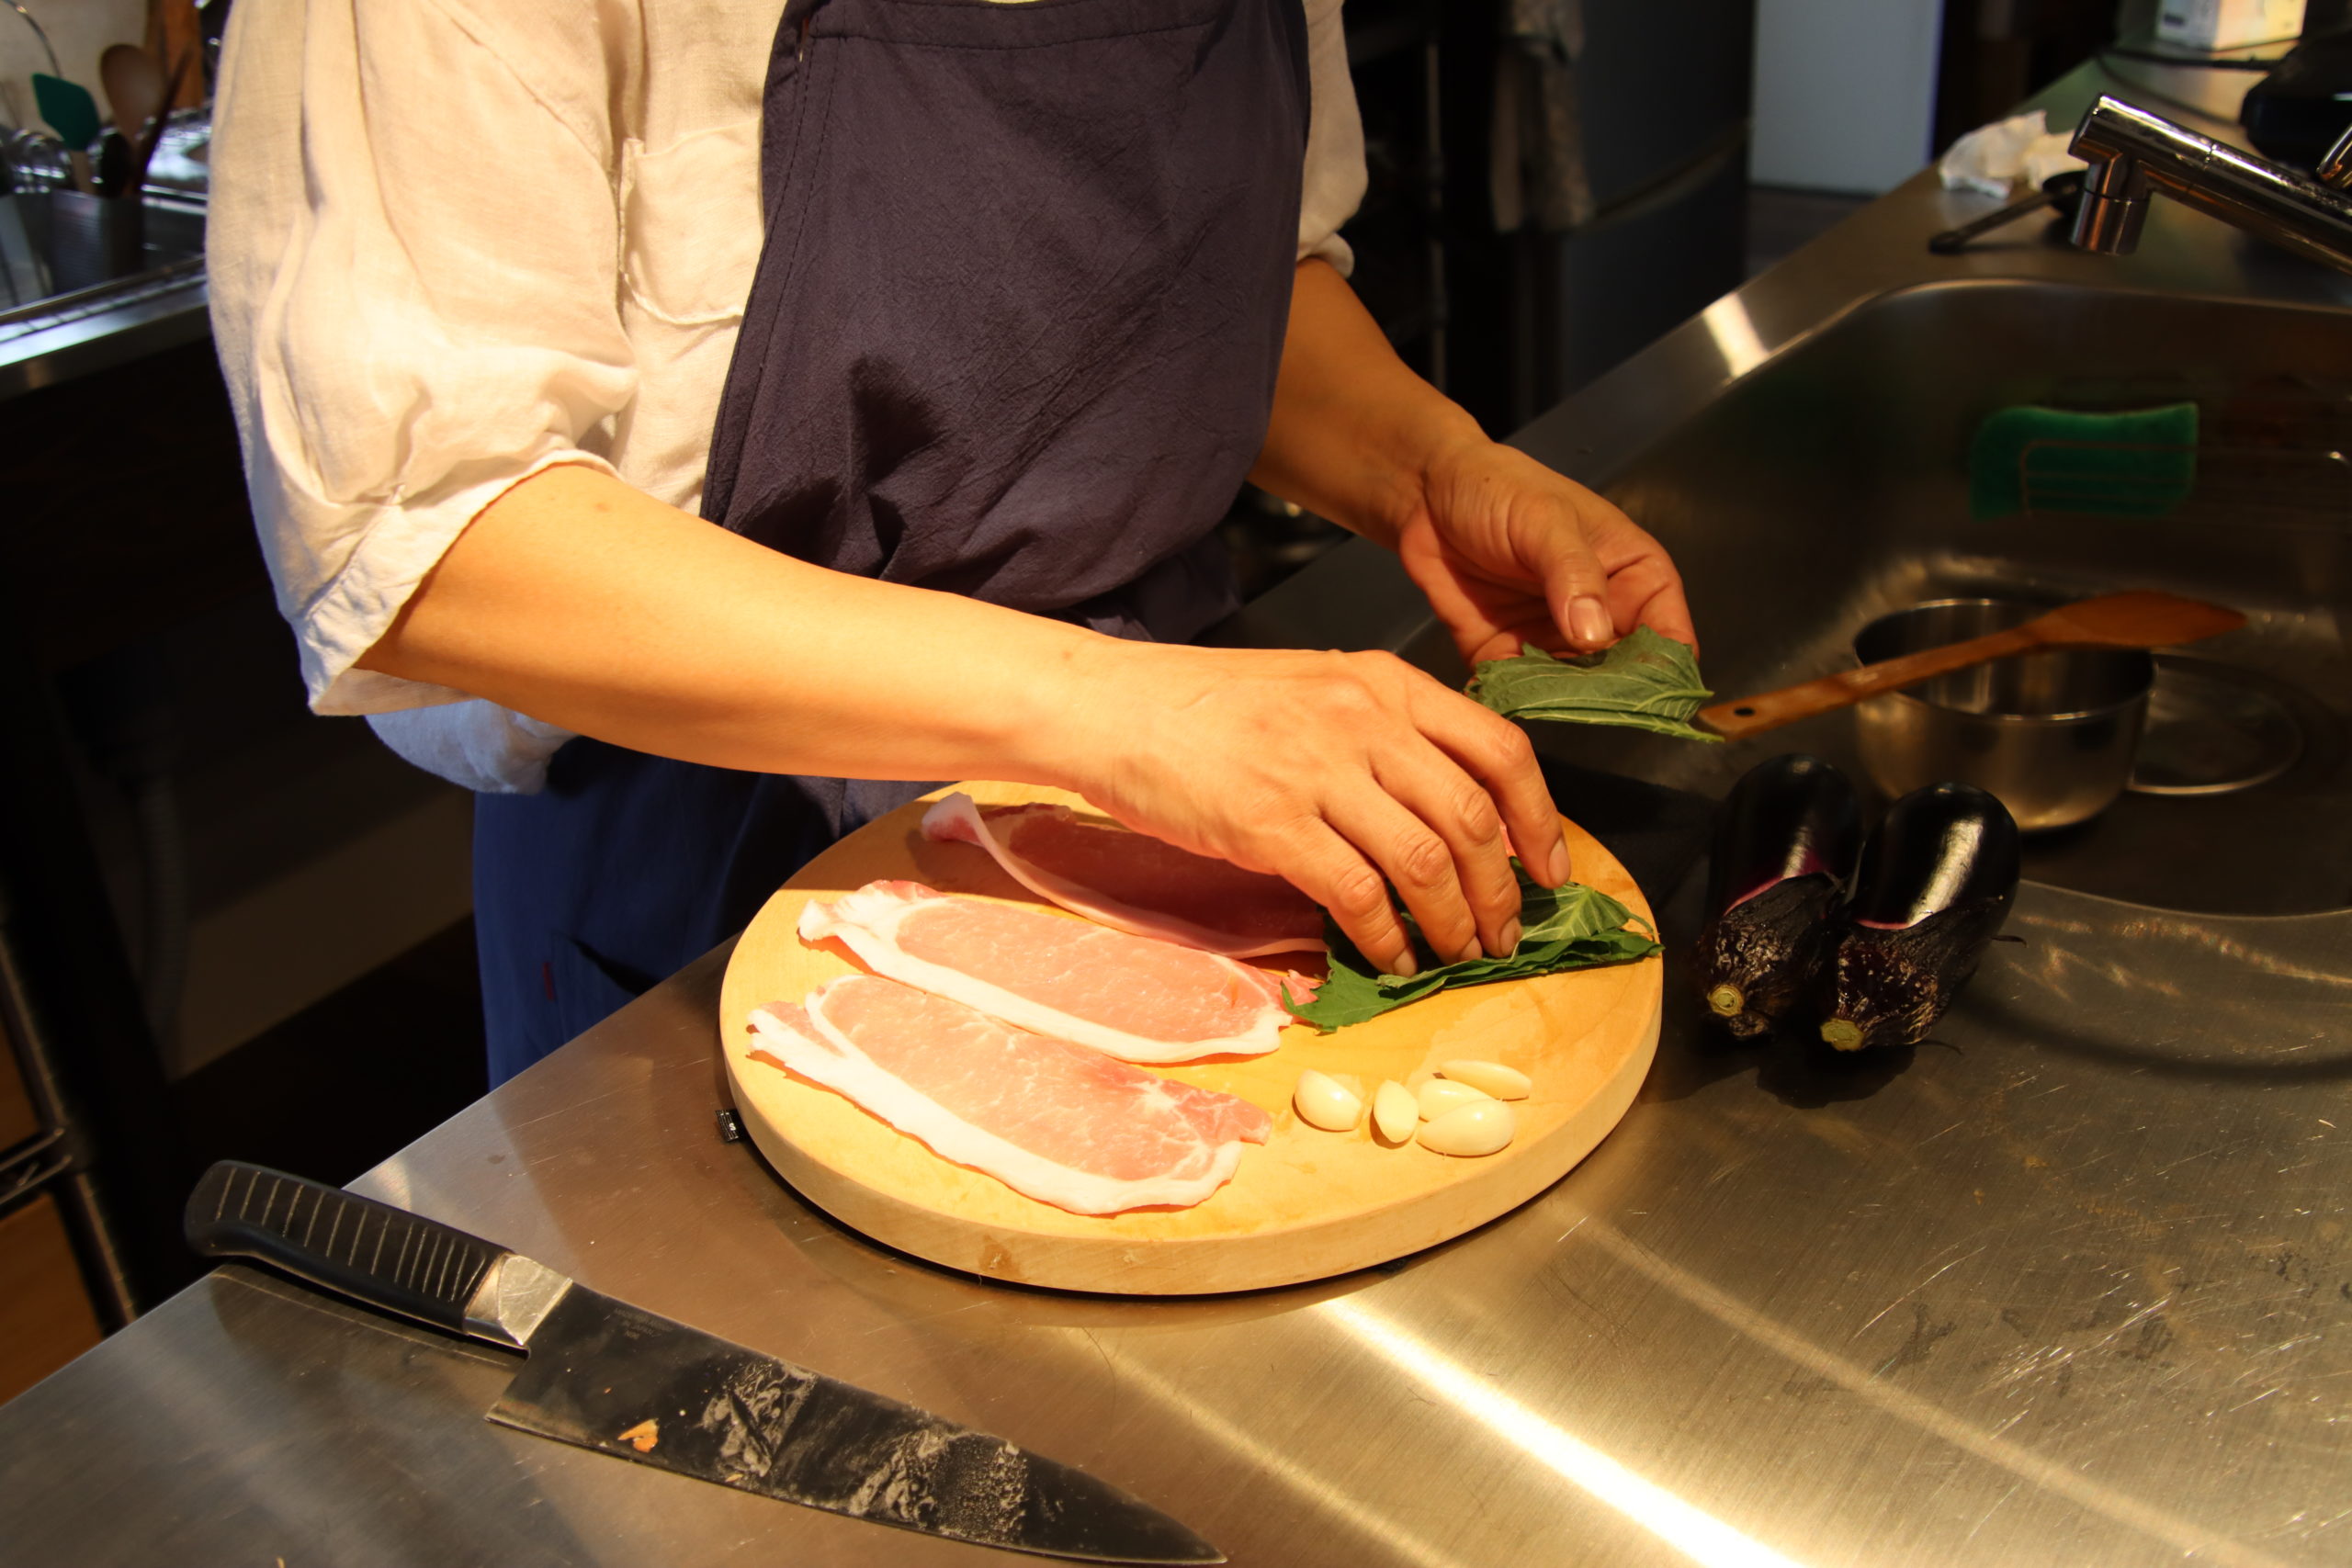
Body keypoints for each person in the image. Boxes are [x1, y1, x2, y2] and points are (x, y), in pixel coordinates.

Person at [207, 0, 1695, 1084]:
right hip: (725, 862)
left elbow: (1245, 268)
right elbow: (431, 542)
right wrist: (1130, 714)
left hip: (1187, 815)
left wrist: (1427, 470)